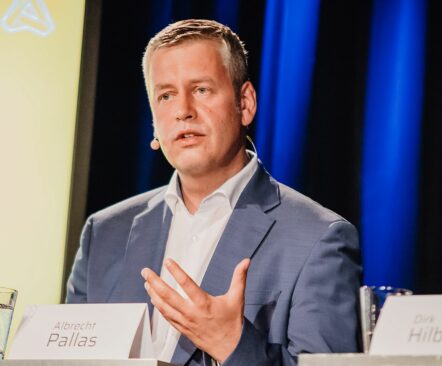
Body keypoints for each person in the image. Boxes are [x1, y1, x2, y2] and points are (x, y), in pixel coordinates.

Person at [66, 19, 361, 366]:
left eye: (201, 89)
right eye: (166, 95)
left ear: (245, 103)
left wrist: (233, 344)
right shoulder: (103, 233)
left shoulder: (317, 239)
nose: (183, 111)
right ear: (154, 122)